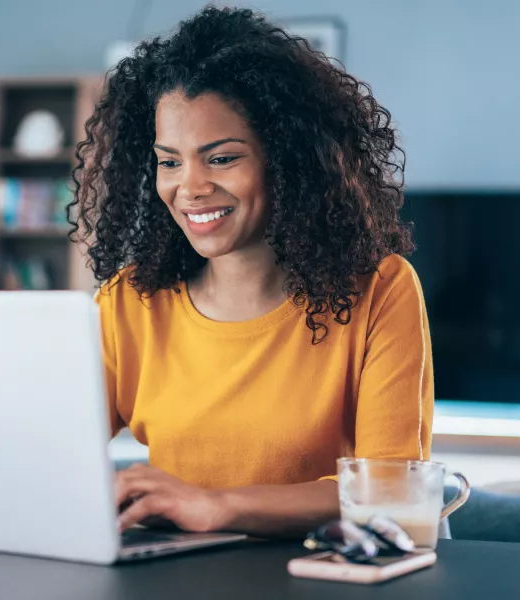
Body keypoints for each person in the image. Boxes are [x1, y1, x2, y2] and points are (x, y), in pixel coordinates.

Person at [68, 6, 433, 538]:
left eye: (221, 158)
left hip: (315, 575)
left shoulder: (379, 289)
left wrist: (218, 507)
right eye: (169, 162)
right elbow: (51, 454)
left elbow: (393, 489)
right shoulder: (130, 302)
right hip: (170, 574)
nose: (188, 187)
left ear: (286, 161)